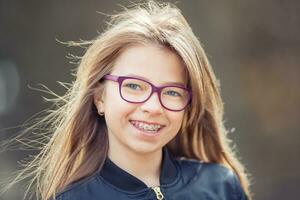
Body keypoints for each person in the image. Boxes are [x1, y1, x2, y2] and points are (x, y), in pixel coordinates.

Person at [4, 1, 252, 200]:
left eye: (172, 92)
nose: (153, 107)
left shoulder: (220, 187)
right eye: (133, 86)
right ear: (100, 97)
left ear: (189, 106)